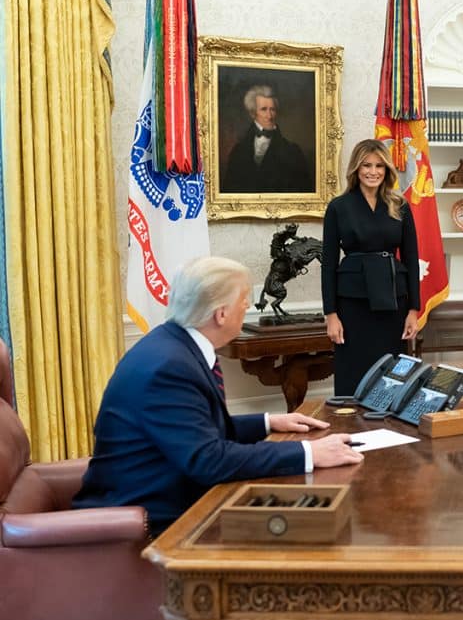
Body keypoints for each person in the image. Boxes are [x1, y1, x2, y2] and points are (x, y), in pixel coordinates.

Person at [72, 257, 364, 535]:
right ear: (221, 314)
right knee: (307, 527)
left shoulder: (174, 345)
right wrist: (310, 452)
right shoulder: (167, 367)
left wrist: (268, 422)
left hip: (173, 497)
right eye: (243, 299)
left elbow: (196, 430)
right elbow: (208, 460)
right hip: (154, 522)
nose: (248, 305)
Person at [322, 139, 420, 396]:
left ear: (387, 170)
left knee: (391, 372)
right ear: (356, 168)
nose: (373, 171)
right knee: (353, 371)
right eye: (366, 165)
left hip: (393, 300)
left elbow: (411, 258)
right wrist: (330, 315)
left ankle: (391, 430)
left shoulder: (400, 206)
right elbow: (329, 264)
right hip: (352, 303)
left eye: (379, 165)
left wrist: (413, 310)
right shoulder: (338, 207)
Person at [222, 84, 312, 194]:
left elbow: (303, 190)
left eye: (272, 109)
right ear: (252, 113)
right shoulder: (238, 151)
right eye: (264, 109)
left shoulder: (293, 151)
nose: (269, 116)